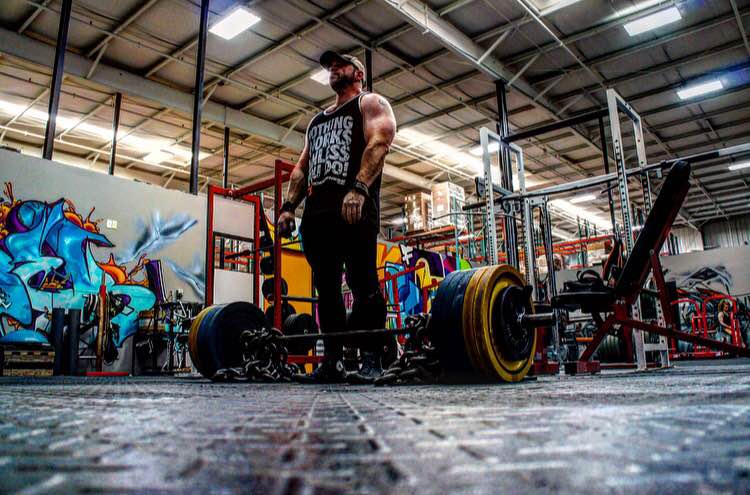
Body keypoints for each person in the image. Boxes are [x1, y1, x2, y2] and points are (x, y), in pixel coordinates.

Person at [277, 50, 397, 383]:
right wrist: (288, 207)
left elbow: (380, 142)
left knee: (363, 284)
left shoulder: (369, 103)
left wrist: (359, 188)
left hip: (354, 210)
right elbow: (301, 168)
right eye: (330, 66)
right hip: (318, 218)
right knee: (326, 291)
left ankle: (371, 359)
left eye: (340, 64)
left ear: (358, 73)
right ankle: (333, 361)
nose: (333, 69)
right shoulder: (317, 121)